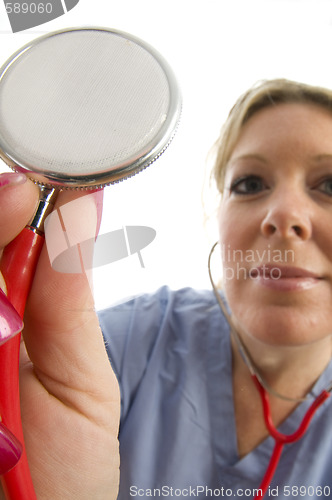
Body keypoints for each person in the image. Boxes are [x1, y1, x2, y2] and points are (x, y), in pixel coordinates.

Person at [1, 77, 332, 499]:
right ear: (217, 212)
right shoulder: (123, 346)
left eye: (330, 186)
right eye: (250, 184)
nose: (284, 215)